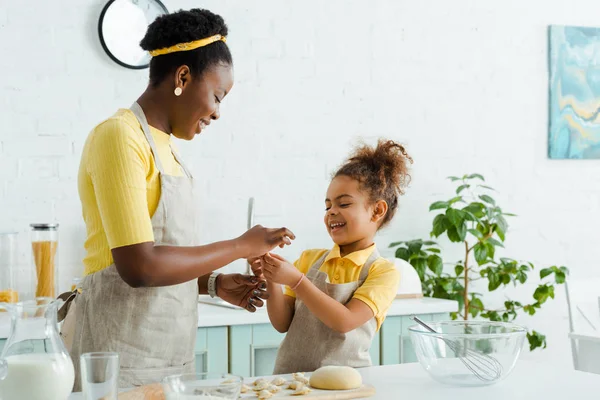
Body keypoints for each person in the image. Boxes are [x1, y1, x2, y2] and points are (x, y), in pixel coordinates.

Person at [59, 8, 294, 389]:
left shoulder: (167, 149)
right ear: (183, 76)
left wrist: (212, 283)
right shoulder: (120, 137)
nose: (218, 113)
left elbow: (164, 253)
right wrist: (239, 245)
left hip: (168, 361)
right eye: (218, 96)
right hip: (117, 357)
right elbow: (140, 267)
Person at [252, 139, 412, 374]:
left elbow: (344, 322)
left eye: (344, 203)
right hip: (292, 381)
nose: (332, 212)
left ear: (377, 210)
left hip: (346, 385)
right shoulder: (309, 260)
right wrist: (273, 279)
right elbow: (282, 323)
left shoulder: (383, 272)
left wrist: (297, 281)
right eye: (327, 207)